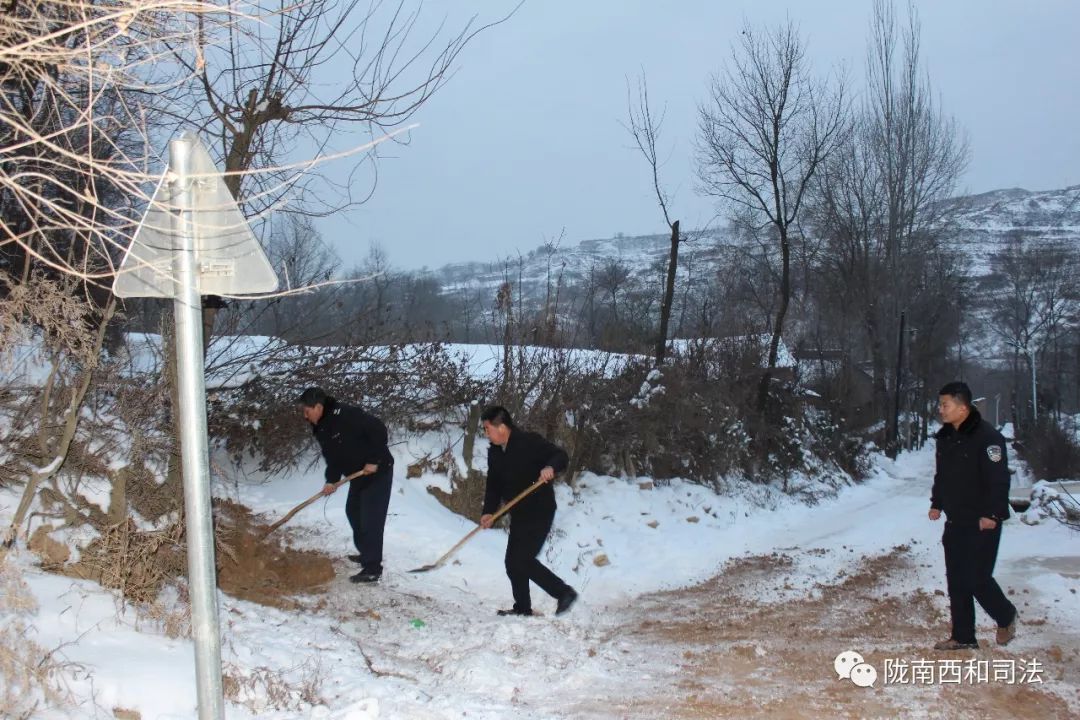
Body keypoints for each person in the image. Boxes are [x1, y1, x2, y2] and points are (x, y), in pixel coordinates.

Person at [929, 381, 1018, 650]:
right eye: (940, 404)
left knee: (977, 577)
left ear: (963, 407)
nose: (941, 410)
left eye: (945, 405)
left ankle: (1006, 615)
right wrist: (937, 503)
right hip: (956, 519)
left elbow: (998, 479)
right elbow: (942, 476)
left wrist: (992, 513)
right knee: (956, 578)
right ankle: (963, 636)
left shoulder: (988, 437)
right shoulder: (946, 437)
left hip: (983, 521)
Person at [479, 406, 578, 617]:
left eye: (488, 429)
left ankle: (564, 592)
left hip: (540, 510)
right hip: (520, 513)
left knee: (522, 560)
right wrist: (489, 512)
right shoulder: (495, 453)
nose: (486, 433)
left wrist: (550, 467)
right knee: (512, 563)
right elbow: (494, 486)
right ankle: (522, 608)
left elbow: (560, 455)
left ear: (502, 427)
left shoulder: (529, 442)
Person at [299, 387, 394, 583]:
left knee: (370, 519)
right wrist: (331, 480)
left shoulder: (346, 415)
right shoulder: (322, 428)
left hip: (378, 471)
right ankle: (366, 553)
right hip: (357, 475)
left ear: (318, 407)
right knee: (353, 512)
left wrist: (374, 460)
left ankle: (372, 568)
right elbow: (333, 457)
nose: (305, 416)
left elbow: (378, 429)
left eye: (307, 411)